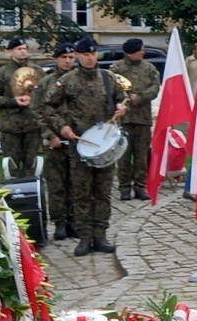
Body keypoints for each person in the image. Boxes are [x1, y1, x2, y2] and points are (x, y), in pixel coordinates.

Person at [40, 36, 127, 256]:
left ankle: (101, 235)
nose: (90, 58)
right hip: (79, 145)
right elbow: (48, 107)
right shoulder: (68, 80)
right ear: (78, 55)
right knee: (82, 193)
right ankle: (85, 237)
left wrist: (121, 107)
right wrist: (62, 127)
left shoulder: (108, 78)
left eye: (93, 54)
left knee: (103, 192)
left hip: (104, 144)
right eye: (85, 54)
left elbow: (122, 97)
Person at [34, 43, 79, 241]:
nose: (68, 61)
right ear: (56, 59)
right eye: (64, 58)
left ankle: (74, 221)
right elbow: (38, 112)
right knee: (56, 184)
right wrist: (49, 136)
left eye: (71, 57)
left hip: (77, 140)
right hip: (55, 141)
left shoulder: (79, 80)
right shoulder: (46, 83)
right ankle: (59, 222)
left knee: (76, 183)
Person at [109, 38, 161, 200]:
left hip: (143, 119)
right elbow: (110, 88)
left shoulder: (149, 68)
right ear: (131, 52)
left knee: (142, 156)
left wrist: (140, 97)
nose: (143, 53)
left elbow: (155, 87)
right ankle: (124, 187)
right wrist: (124, 98)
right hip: (123, 120)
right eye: (140, 50)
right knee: (124, 156)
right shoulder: (117, 68)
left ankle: (140, 186)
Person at [0, 36, 46, 178]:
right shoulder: (2, 73)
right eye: (19, 49)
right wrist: (13, 101)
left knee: (31, 166)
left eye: (25, 48)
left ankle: (30, 189)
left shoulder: (37, 71)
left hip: (32, 125)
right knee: (11, 166)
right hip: (11, 127)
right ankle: (13, 190)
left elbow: (46, 94)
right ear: (11, 51)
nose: (23, 51)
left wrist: (34, 99)